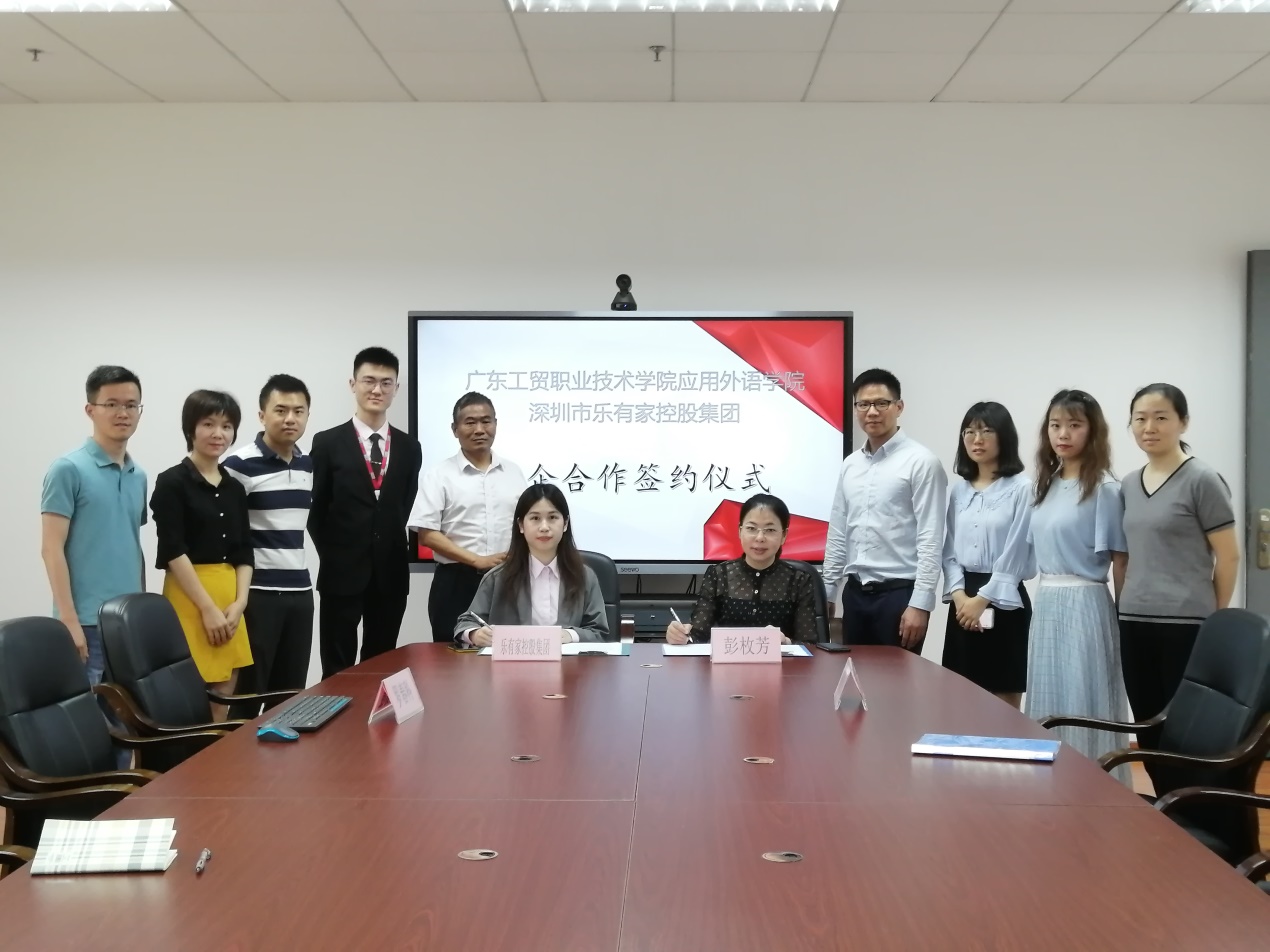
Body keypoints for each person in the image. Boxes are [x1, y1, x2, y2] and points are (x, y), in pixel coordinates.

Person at [1119, 383, 1239, 762]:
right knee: (1147, 727)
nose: (1149, 427)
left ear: (1183, 422)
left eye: (1161, 417)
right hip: (1134, 620)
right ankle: (1164, 798)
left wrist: (1214, 616)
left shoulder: (1202, 479)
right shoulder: (1128, 484)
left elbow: (1229, 557)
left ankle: (1190, 798)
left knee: (1185, 731)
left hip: (1186, 623)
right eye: (1140, 419)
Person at [1024, 389, 1130, 784]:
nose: (1063, 434)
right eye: (1055, 425)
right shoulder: (1046, 484)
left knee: (1084, 699)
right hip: (1048, 602)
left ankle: (1092, 789)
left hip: (1086, 604)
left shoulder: (1104, 488)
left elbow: (1120, 560)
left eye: (1074, 425)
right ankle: (1050, 790)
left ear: (1093, 430)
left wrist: (1121, 620)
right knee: (1049, 698)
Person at [309, 347, 422, 677]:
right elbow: (316, 511)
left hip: (390, 573)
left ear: (396, 389)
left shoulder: (409, 447)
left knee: (381, 664)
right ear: (353, 384)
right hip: (340, 573)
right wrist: (335, 554)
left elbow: (404, 505)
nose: (377, 389)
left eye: (386, 383)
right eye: (369, 380)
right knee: (337, 668)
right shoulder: (327, 443)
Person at [823, 368, 947, 652]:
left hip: (899, 596)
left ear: (899, 407)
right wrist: (828, 591)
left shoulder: (921, 462)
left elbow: (931, 536)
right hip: (855, 594)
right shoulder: (851, 465)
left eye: (881, 403)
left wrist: (921, 603)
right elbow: (839, 531)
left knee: (898, 679)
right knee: (855, 677)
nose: (872, 412)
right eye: (863, 404)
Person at [40, 365, 148, 685]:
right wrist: (69, 620)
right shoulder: (67, 469)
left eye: (131, 405)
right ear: (90, 410)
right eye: (111, 404)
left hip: (127, 620)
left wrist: (141, 608)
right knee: (87, 712)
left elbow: (131, 545)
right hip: (86, 623)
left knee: (128, 713)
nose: (123, 413)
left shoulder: (139, 475)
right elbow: (51, 548)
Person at [150, 390, 253, 715]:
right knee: (188, 700)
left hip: (229, 599)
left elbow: (244, 552)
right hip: (190, 597)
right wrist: (207, 608)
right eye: (208, 424)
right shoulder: (171, 482)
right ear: (190, 429)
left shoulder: (235, 488)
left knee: (224, 698)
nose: (218, 433)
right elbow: (173, 550)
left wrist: (240, 603)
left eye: (226, 426)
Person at [223, 374, 315, 718]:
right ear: (262, 415)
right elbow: (227, 535)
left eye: (298, 411)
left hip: (300, 592)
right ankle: (237, 754)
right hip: (258, 594)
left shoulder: (307, 464)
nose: (290, 418)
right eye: (280, 410)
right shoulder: (238, 465)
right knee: (249, 693)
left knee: (290, 695)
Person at [408, 392, 527, 643]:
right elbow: (427, 534)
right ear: (455, 429)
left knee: (509, 652)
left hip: (508, 580)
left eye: (486, 421)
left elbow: (526, 526)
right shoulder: (439, 475)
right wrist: (477, 560)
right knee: (450, 656)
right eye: (470, 422)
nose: (479, 429)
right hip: (455, 582)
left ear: (496, 424)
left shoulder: (514, 473)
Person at [941, 402, 1034, 709]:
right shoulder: (959, 491)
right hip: (962, 603)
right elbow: (949, 550)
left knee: (1004, 700)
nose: (976, 439)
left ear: (1004, 436)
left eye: (986, 431)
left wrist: (982, 599)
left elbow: (1018, 550)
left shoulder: (1022, 488)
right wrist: (959, 596)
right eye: (969, 432)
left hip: (1005, 600)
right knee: (959, 700)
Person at [456, 483, 608, 645]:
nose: (544, 527)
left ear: (565, 524)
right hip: (512, 661)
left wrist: (570, 635)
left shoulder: (585, 577)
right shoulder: (497, 577)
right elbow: (466, 623)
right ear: (521, 525)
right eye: (535, 518)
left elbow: (599, 633)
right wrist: (475, 634)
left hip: (568, 661)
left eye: (552, 518)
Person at [666, 493, 818, 645]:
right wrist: (681, 635)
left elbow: (810, 645)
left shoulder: (800, 580)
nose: (760, 537)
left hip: (782, 660)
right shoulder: (719, 575)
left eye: (770, 530)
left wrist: (786, 642)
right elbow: (697, 635)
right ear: (740, 531)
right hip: (728, 659)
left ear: (784, 535)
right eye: (751, 528)